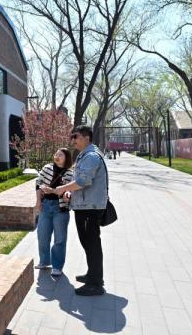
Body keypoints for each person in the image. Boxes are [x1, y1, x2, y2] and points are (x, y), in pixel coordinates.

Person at [53, 125, 108, 296]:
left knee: (91, 244)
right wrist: (71, 192)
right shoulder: (85, 154)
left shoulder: (91, 156)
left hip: (89, 208)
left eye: (75, 136)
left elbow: (84, 181)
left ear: (86, 137)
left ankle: (95, 284)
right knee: (88, 243)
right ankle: (93, 275)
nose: (73, 140)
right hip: (85, 206)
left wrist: (63, 189)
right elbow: (79, 181)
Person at [34, 148, 74, 277]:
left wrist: (67, 194)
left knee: (60, 239)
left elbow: (69, 190)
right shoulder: (47, 168)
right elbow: (38, 183)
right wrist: (38, 202)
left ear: (66, 158)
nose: (56, 156)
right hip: (45, 205)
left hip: (60, 208)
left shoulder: (70, 173)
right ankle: (44, 261)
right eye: (56, 154)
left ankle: (57, 266)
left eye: (60, 155)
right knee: (42, 235)